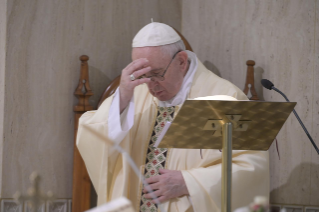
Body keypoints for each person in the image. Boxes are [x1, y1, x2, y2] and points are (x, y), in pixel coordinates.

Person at [76, 22, 269, 212]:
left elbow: (252, 166)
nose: (151, 85)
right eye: (143, 75)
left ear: (182, 62)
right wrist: (122, 98)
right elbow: (92, 139)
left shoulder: (225, 97)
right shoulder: (133, 93)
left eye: (158, 74)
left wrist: (189, 182)